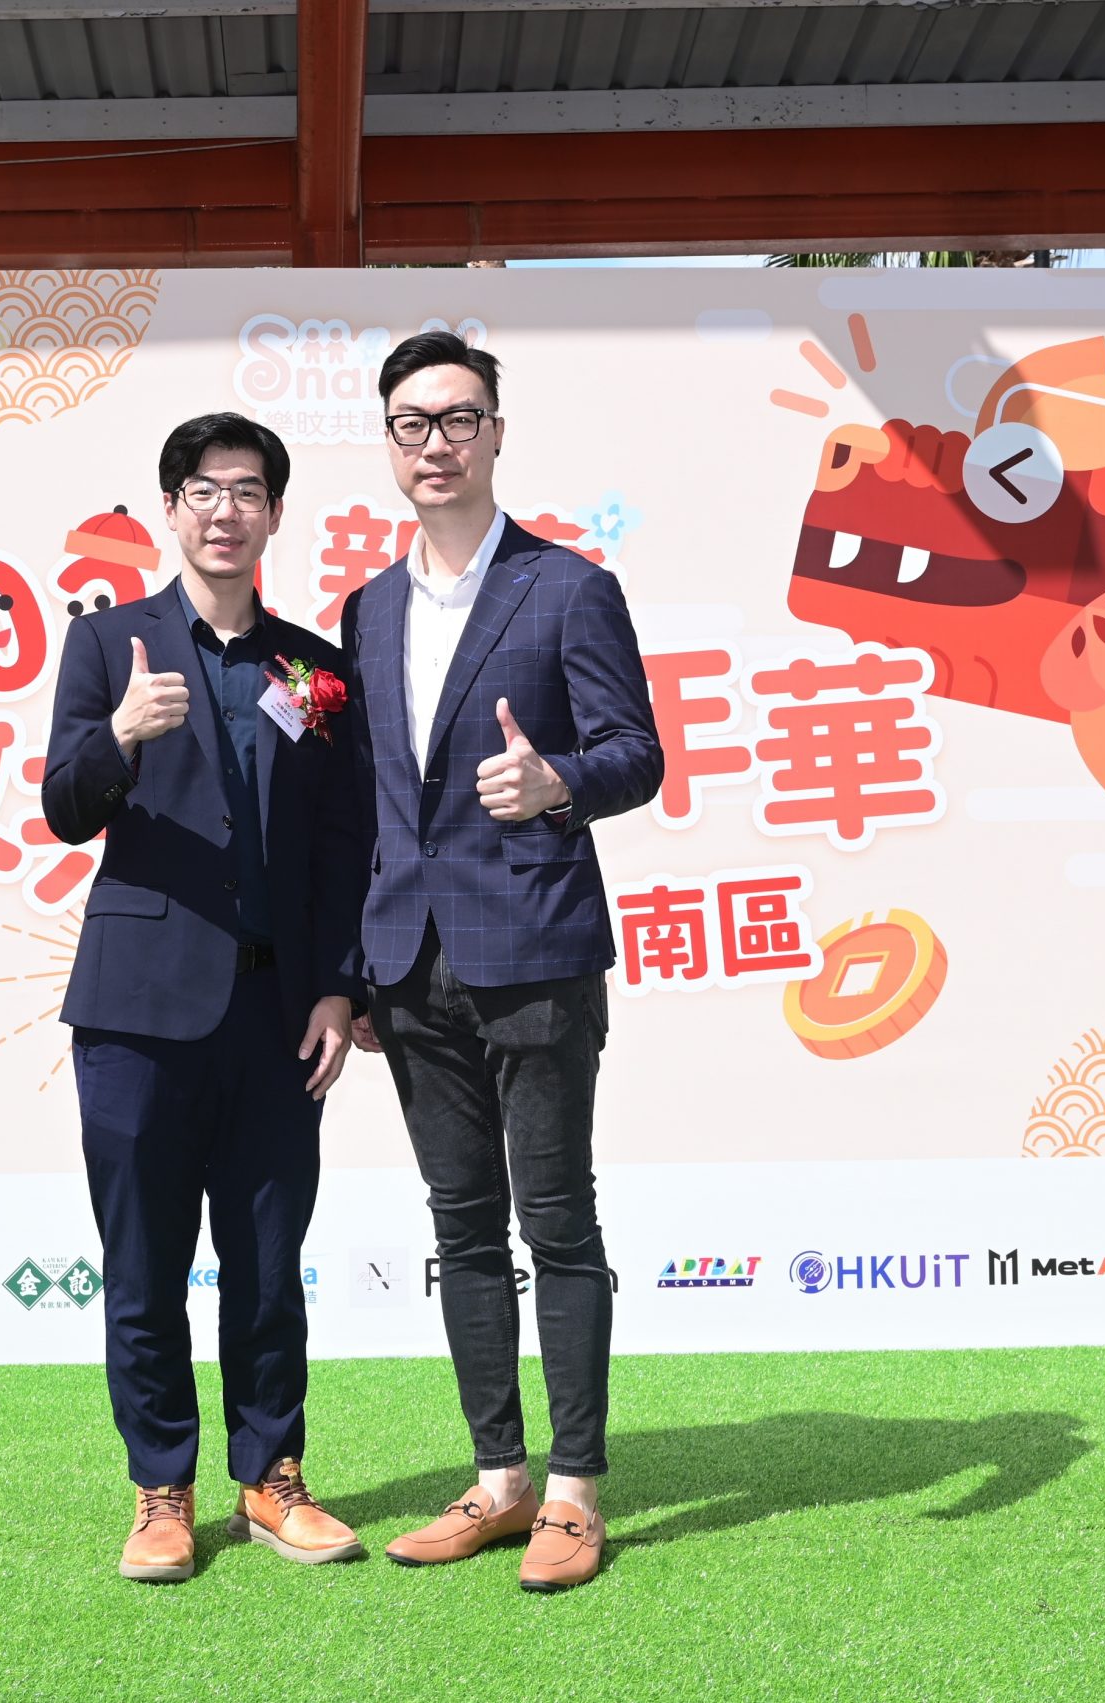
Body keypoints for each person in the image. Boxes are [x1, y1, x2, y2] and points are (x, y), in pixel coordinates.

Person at [341, 331, 664, 1591]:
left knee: (558, 1218)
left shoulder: (568, 588)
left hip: (533, 949)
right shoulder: (367, 608)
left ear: (495, 434)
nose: (436, 443)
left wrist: (555, 780)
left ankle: (573, 1490)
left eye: (459, 418)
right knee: (462, 1224)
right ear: (389, 441)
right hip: (407, 961)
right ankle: (499, 1478)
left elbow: (636, 754)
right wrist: (356, 967)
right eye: (412, 422)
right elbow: (369, 804)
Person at [42, 412, 372, 1583]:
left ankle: (272, 1478)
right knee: (143, 1265)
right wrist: (119, 735)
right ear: (171, 509)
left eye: (246, 490)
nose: (224, 510)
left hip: (277, 1016)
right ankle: (161, 1490)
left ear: (274, 513)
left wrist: (339, 988)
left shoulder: (314, 666)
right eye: (202, 489)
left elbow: (343, 844)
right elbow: (64, 806)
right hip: (135, 1012)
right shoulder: (108, 645)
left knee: (269, 1264)